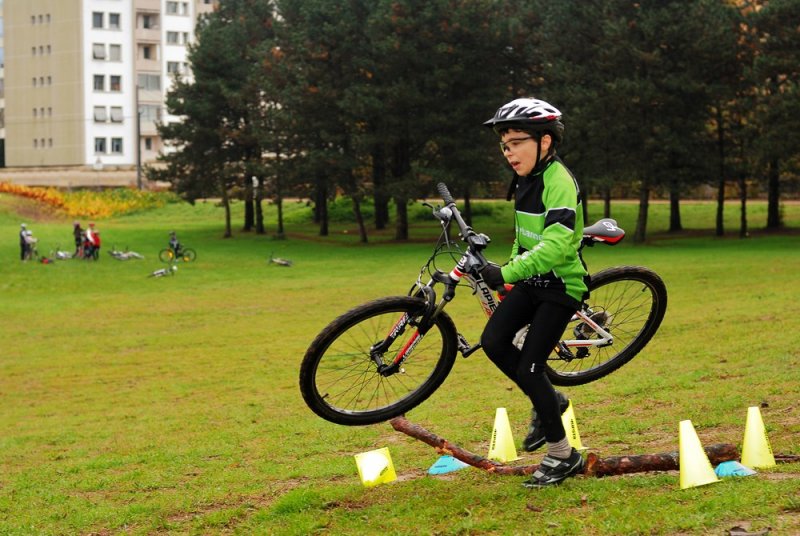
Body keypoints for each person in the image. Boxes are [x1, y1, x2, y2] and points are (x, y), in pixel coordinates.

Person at [479, 98, 589, 488]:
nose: (509, 152)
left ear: (544, 141)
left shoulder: (558, 180)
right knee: (493, 341)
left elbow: (557, 246)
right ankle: (551, 401)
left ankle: (564, 455)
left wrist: (507, 271)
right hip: (532, 281)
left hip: (560, 286)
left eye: (516, 142)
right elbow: (525, 237)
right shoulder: (525, 180)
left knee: (529, 366)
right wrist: (509, 274)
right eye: (504, 145)